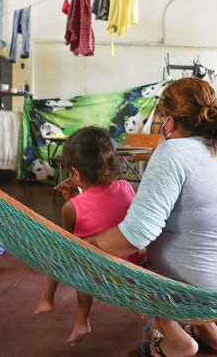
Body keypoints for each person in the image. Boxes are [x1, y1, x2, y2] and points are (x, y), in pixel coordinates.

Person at [86, 78, 217, 356]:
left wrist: (87, 247)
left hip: (203, 288)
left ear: (168, 121)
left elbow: (135, 236)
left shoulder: (172, 152)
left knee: (128, 269)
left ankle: (171, 337)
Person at [33, 126, 143, 346]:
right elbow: (106, 208)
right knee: (87, 255)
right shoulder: (126, 187)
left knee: (66, 250)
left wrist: (72, 202)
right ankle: (81, 322)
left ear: (74, 173)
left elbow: (71, 238)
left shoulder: (72, 207)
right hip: (134, 262)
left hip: (100, 272)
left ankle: (50, 301)